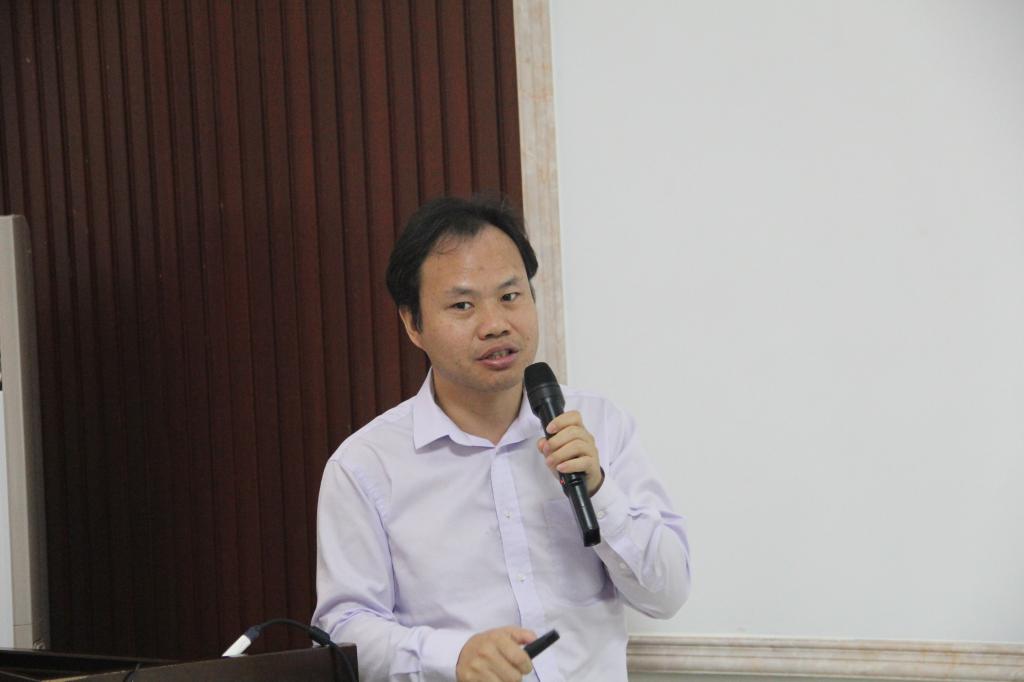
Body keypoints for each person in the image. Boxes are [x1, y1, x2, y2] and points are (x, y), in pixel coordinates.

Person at [313, 196, 691, 682]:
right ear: (412, 323)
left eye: (511, 296)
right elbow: (344, 631)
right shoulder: (366, 466)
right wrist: (452, 655)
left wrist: (599, 490)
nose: (495, 325)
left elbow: (667, 595)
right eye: (463, 305)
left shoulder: (599, 424)